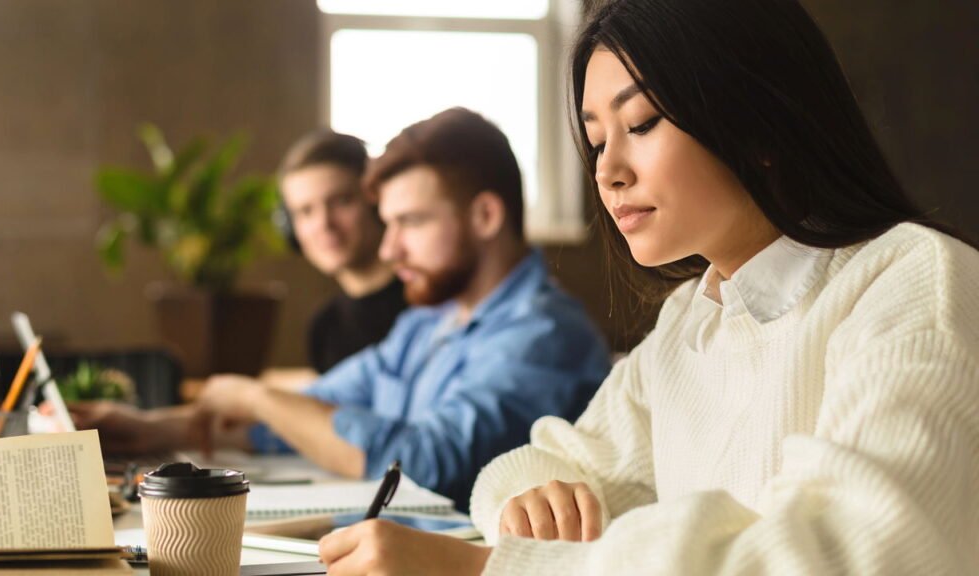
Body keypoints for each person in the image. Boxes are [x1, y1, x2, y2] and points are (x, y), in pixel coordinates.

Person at [314, 0, 979, 574]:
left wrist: (495, 567)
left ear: (759, 123)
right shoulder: (693, 316)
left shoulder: (916, 283)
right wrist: (529, 507)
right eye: (597, 140)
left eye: (640, 124)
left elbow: (840, 554)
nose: (608, 172)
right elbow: (536, 467)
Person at [74, 108, 612, 511]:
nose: (389, 249)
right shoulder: (425, 323)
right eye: (389, 223)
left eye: (411, 222)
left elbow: (421, 465)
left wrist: (256, 396)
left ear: (486, 216)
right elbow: (317, 409)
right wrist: (151, 430)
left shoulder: (542, 335)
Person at [274, 129, 406, 377]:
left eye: (341, 201)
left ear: (377, 203)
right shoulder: (324, 328)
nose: (324, 224)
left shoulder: (429, 302)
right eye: (305, 211)